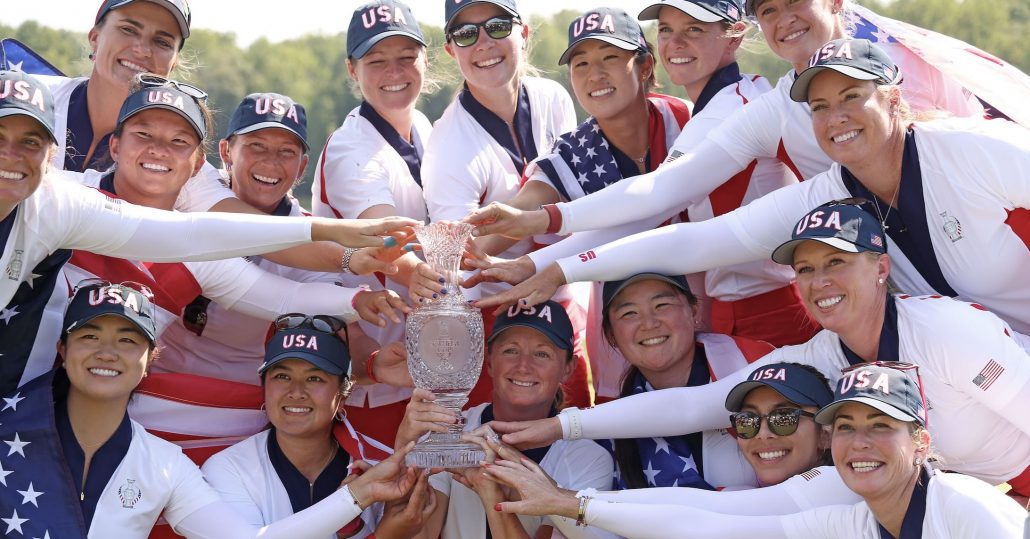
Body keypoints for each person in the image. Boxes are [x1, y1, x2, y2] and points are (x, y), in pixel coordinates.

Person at [472, 38, 1030, 340]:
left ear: (895, 101)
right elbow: (695, 239)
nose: (835, 117)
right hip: (978, 377)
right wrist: (558, 266)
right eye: (819, 106)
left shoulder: (968, 149)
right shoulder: (825, 196)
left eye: (852, 98)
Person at [489, 201, 1030, 501]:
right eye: (807, 268)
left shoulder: (947, 331)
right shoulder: (821, 356)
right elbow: (694, 405)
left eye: (837, 262)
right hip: (964, 492)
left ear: (881, 268)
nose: (820, 281)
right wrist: (562, 427)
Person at [0, 70, 416, 395]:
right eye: (143, 135)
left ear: (198, 163)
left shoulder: (202, 253)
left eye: (178, 141)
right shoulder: (68, 196)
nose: (158, 150)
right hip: (23, 386)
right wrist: (341, 236)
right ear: (115, 145)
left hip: (60, 406)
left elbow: (280, 294)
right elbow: (195, 233)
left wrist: (359, 296)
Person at [0, 281, 423, 537]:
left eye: (128, 340)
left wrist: (360, 493)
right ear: (62, 348)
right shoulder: (8, 430)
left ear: (152, 357)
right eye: (90, 336)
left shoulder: (166, 466)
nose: (108, 353)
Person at [483, 364, 1026, 538]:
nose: (860, 444)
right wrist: (568, 502)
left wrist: (567, 498)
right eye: (848, 426)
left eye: (881, 428)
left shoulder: (967, 510)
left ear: (922, 444)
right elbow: (716, 522)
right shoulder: (851, 515)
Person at [149, 91, 408, 386]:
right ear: (225, 151)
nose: (270, 162)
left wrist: (374, 364)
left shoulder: (317, 242)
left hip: (238, 403)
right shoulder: (190, 184)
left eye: (286, 151)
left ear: (302, 166)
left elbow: (341, 331)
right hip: (149, 382)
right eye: (256, 146)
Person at [310, 0, 437, 457]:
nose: (393, 71)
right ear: (352, 69)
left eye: (406, 56)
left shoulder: (422, 126)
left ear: (427, 58)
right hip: (374, 374)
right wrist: (427, 274)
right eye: (376, 60)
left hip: (421, 364)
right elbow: (384, 237)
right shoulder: (351, 148)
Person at [395, 300, 613, 538]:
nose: (523, 366)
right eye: (511, 350)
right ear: (488, 362)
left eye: (542, 354)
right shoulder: (450, 429)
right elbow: (418, 533)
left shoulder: (588, 457)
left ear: (568, 368)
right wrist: (403, 450)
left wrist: (491, 491)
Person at [203, 316, 436, 538]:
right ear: (264, 387)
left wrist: (354, 528)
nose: (296, 392)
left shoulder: (382, 466)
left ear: (343, 394)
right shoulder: (228, 469)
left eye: (315, 378)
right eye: (282, 376)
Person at [421, 0, 576, 299]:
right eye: (466, 34)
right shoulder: (448, 146)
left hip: (568, 289)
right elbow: (457, 260)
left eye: (498, 27)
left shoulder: (554, 98)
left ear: (524, 33)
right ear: (451, 50)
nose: (484, 43)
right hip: (500, 311)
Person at [598, 273, 773, 490]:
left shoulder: (756, 364)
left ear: (694, 311)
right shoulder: (608, 427)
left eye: (662, 305)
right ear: (611, 334)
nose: (649, 323)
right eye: (629, 313)